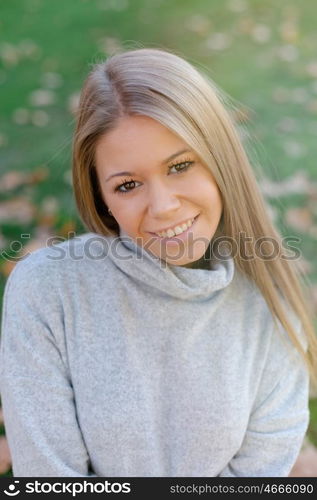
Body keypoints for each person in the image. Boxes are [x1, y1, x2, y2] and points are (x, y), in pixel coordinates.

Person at [1, 47, 317, 478]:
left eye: (181, 165)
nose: (163, 206)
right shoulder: (47, 292)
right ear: (102, 199)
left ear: (221, 160)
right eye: (128, 185)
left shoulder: (272, 308)